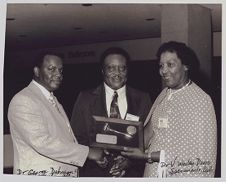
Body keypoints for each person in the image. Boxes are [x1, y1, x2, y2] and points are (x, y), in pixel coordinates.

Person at [121, 41, 217, 177]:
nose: (163, 71)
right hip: (152, 173)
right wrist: (126, 154)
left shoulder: (200, 100)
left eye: (170, 65)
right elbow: (148, 133)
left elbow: (195, 154)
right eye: (161, 66)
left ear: (186, 66)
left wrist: (145, 156)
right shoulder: (164, 94)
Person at [7, 52, 106, 177]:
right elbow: (42, 142)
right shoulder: (24, 99)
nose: (58, 74)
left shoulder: (53, 100)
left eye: (60, 70)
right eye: (51, 69)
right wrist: (88, 153)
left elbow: (66, 139)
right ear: (37, 71)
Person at [70, 47, 152, 177]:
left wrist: (130, 160)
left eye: (122, 68)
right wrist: (94, 155)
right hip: (95, 173)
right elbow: (75, 136)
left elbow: (147, 140)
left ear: (127, 70)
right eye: (111, 68)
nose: (117, 73)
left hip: (131, 174)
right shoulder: (85, 98)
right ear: (103, 71)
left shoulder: (143, 98)